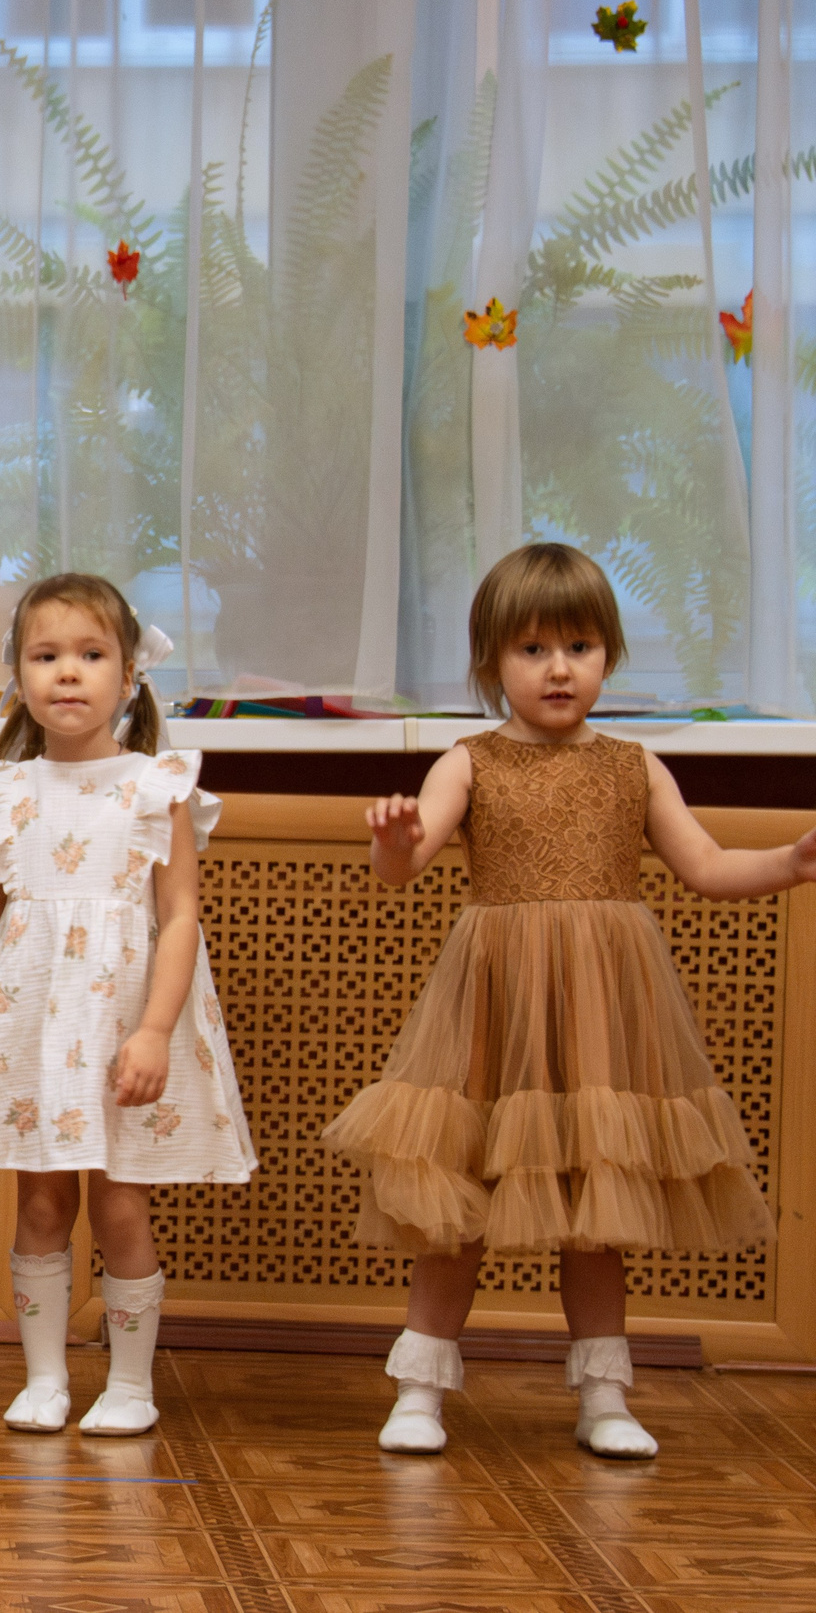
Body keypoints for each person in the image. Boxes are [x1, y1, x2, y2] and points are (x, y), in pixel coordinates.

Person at [324, 542, 811, 1460]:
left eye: (579, 646)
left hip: (604, 1010)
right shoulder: (470, 760)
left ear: (610, 655)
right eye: (534, 649)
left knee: (598, 1205)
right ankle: (421, 1385)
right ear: (490, 662)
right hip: (493, 1004)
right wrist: (391, 841)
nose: (558, 668)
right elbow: (408, 859)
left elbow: (706, 865)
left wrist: (788, 862)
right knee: (454, 1199)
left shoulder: (634, 767)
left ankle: (603, 1392)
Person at [0, 573, 257, 1437]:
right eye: (46, 656)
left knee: (120, 1202)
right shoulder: (7, 791)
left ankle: (130, 1383)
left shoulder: (157, 785)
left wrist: (154, 1029)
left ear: (129, 674)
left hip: (122, 1026)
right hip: (32, 1029)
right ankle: (45, 1379)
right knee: (41, 1201)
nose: (67, 673)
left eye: (89, 654)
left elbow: (180, 912)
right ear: (19, 673)